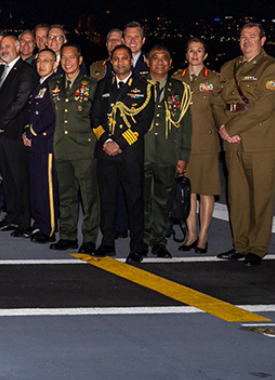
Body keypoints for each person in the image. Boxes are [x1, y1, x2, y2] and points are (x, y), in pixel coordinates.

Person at [213, 22, 275, 266]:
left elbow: (266, 105)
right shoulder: (228, 67)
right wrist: (224, 127)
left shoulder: (272, 67)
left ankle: (257, 248)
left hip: (262, 138)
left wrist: (232, 128)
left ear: (263, 40)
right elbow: (216, 102)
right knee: (238, 196)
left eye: (252, 37)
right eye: (243, 37)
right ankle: (240, 245)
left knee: (261, 195)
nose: (247, 41)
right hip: (232, 140)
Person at [90, 45, 154, 261]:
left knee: (134, 201)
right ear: (111, 62)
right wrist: (106, 141)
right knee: (107, 199)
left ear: (131, 61)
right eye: (116, 59)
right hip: (105, 152)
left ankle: (137, 246)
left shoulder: (144, 87)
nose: (120, 62)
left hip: (129, 153)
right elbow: (95, 118)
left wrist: (120, 143)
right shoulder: (102, 85)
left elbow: (144, 122)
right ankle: (107, 242)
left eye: (124, 58)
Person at [47, 44, 99, 253]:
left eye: (71, 57)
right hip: (62, 147)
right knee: (66, 195)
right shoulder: (54, 84)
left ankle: (89, 238)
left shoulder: (91, 85)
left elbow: (98, 117)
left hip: (84, 149)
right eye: (64, 57)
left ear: (80, 60)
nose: (67, 61)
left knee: (88, 197)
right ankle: (67, 236)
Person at [141, 44, 191, 259]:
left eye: (164, 58)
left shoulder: (180, 89)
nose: (160, 62)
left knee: (163, 200)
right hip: (141, 152)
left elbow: (186, 125)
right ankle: (142, 240)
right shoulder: (137, 86)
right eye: (155, 57)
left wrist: (183, 156)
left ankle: (159, 241)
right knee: (142, 200)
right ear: (147, 62)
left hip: (168, 154)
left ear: (170, 63)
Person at [0, 34, 38, 234]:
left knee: (19, 178)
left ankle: (24, 221)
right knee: (7, 177)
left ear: (17, 48)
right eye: (1, 46)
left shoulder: (26, 71)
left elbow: (20, 101)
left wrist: (0, 123)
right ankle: (11, 215)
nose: (3, 50)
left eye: (7, 46)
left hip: (14, 134)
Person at [176, 39, 222, 253]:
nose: (195, 55)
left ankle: (203, 236)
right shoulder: (177, 78)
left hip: (206, 142)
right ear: (186, 55)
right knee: (188, 191)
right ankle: (191, 234)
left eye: (199, 51)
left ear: (205, 55)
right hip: (183, 143)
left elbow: (220, 109)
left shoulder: (214, 79)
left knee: (206, 191)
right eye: (191, 51)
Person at [21, 49, 60, 243]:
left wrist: (31, 132)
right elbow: (32, 113)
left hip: (46, 143)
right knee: (36, 186)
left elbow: (50, 116)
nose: (41, 64)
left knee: (46, 188)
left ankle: (49, 228)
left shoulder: (55, 85)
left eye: (46, 61)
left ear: (55, 65)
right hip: (36, 143)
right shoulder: (40, 84)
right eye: (38, 61)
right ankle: (39, 223)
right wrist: (26, 132)